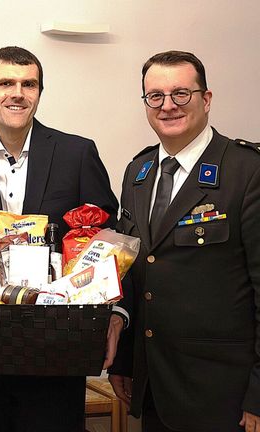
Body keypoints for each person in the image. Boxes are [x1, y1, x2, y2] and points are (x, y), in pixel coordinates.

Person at [0, 46, 120, 431]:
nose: (18, 93)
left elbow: (107, 244)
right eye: (6, 83)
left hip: (57, 351)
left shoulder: (77, 153)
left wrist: (111, 314)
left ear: (39, 92)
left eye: (28, 84)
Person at [107, 50, 260, 432]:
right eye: (155, 96)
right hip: (154, 387)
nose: (167, 106)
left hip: (223, 394)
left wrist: (259, 393)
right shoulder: (138, 172)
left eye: (181, 94)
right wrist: (125, 363)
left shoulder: (247, 171)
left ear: (206, 99)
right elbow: (134, 273)